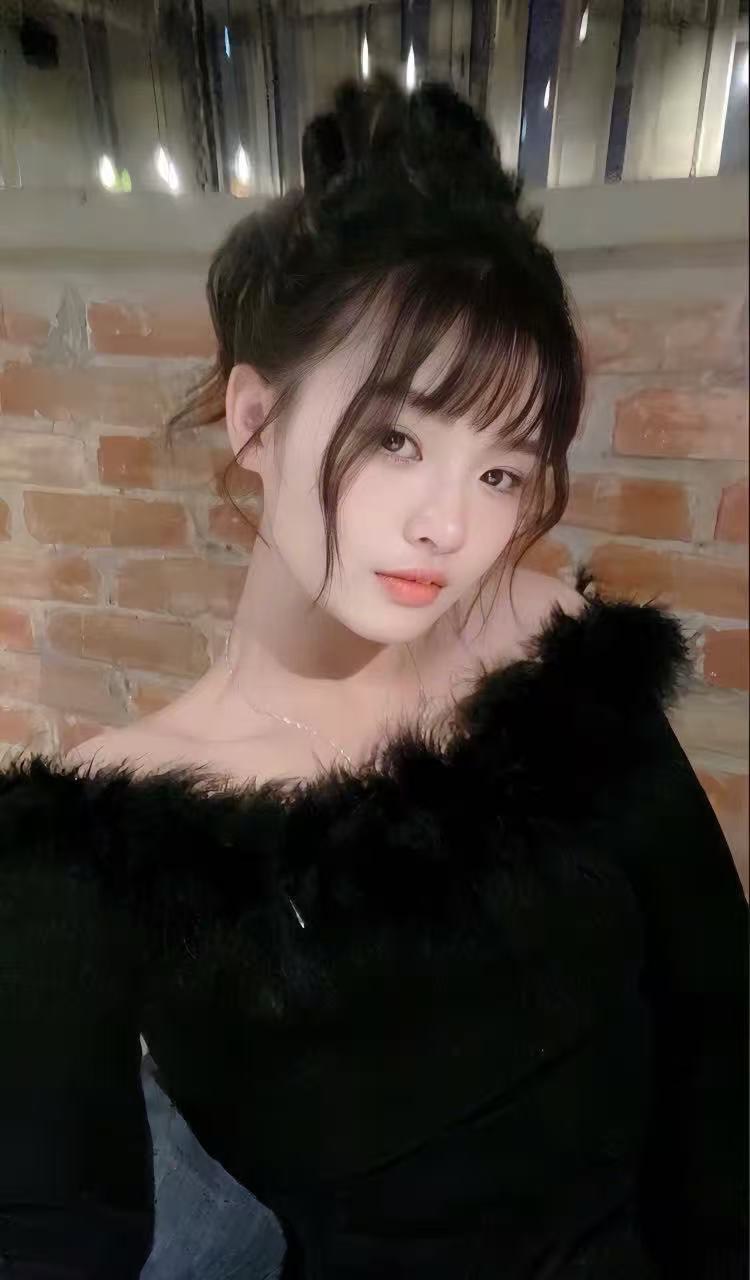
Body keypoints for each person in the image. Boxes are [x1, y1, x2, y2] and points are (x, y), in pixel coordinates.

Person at [0, 74, 747, 1280]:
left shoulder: (547, 657)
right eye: (397, 437)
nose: (449, 525)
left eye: (501, 472)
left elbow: (721, 1023)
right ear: (255, 420)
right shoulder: (100, 839)